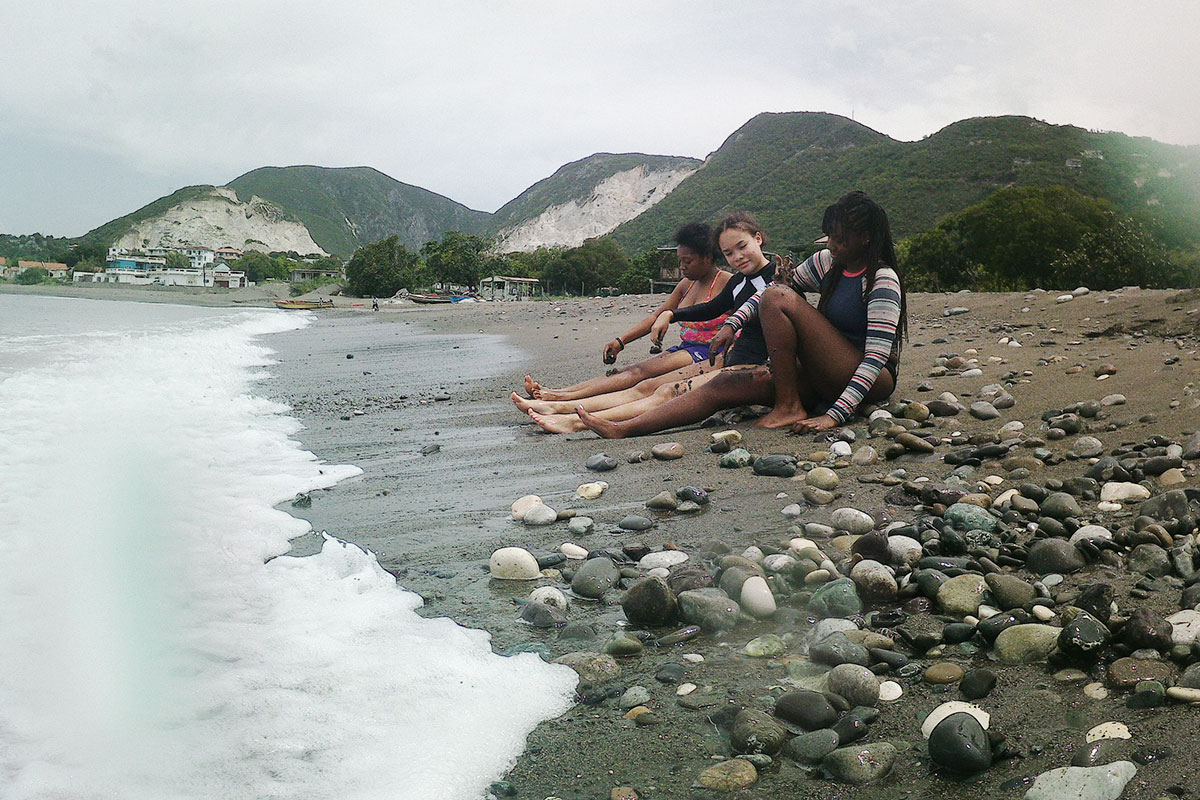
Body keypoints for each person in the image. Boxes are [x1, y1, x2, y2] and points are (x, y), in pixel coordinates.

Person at [576, 191, 906, 438]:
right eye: (830, 236)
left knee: (778, 293)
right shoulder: (825, 263)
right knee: (726, 382)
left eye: (841, 238)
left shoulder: (881, 280)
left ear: (865, 237)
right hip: (821, 374)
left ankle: (788, 407)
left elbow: (875, 359)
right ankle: (625, 428)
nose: (832, 244)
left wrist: (836, 414)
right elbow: (765, 296)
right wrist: (732, 324)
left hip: (869, 379)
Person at [522, 223, 731, 402]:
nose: (682, 267)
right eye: (680, 260)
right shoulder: (686, 285)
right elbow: (655, 317)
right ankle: (559, 392)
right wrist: (621, 341)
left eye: (688, 261)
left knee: (640, 373)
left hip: (708, 352)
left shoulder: (727, 283)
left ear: (707, 257)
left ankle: (561, 399)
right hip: (685, 348)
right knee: (628, 370)